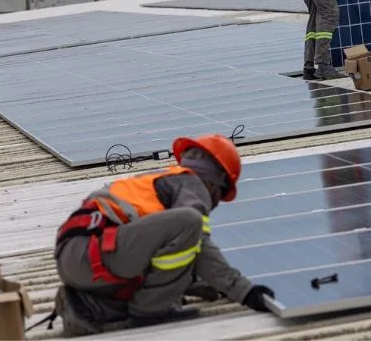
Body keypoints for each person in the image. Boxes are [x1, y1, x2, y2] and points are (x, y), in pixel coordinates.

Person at [51, 134, 275, 336]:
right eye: (220, 195)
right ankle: (150, 312)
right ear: (216, 182)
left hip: (78, 257)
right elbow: (201, 244)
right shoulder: (193, 183)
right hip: (96, 252)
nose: (214, 203)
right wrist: (244, 291)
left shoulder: (160, 181)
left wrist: (203, 283)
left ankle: (86, 308)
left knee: (171, 273)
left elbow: (177, 257)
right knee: (190, 222)